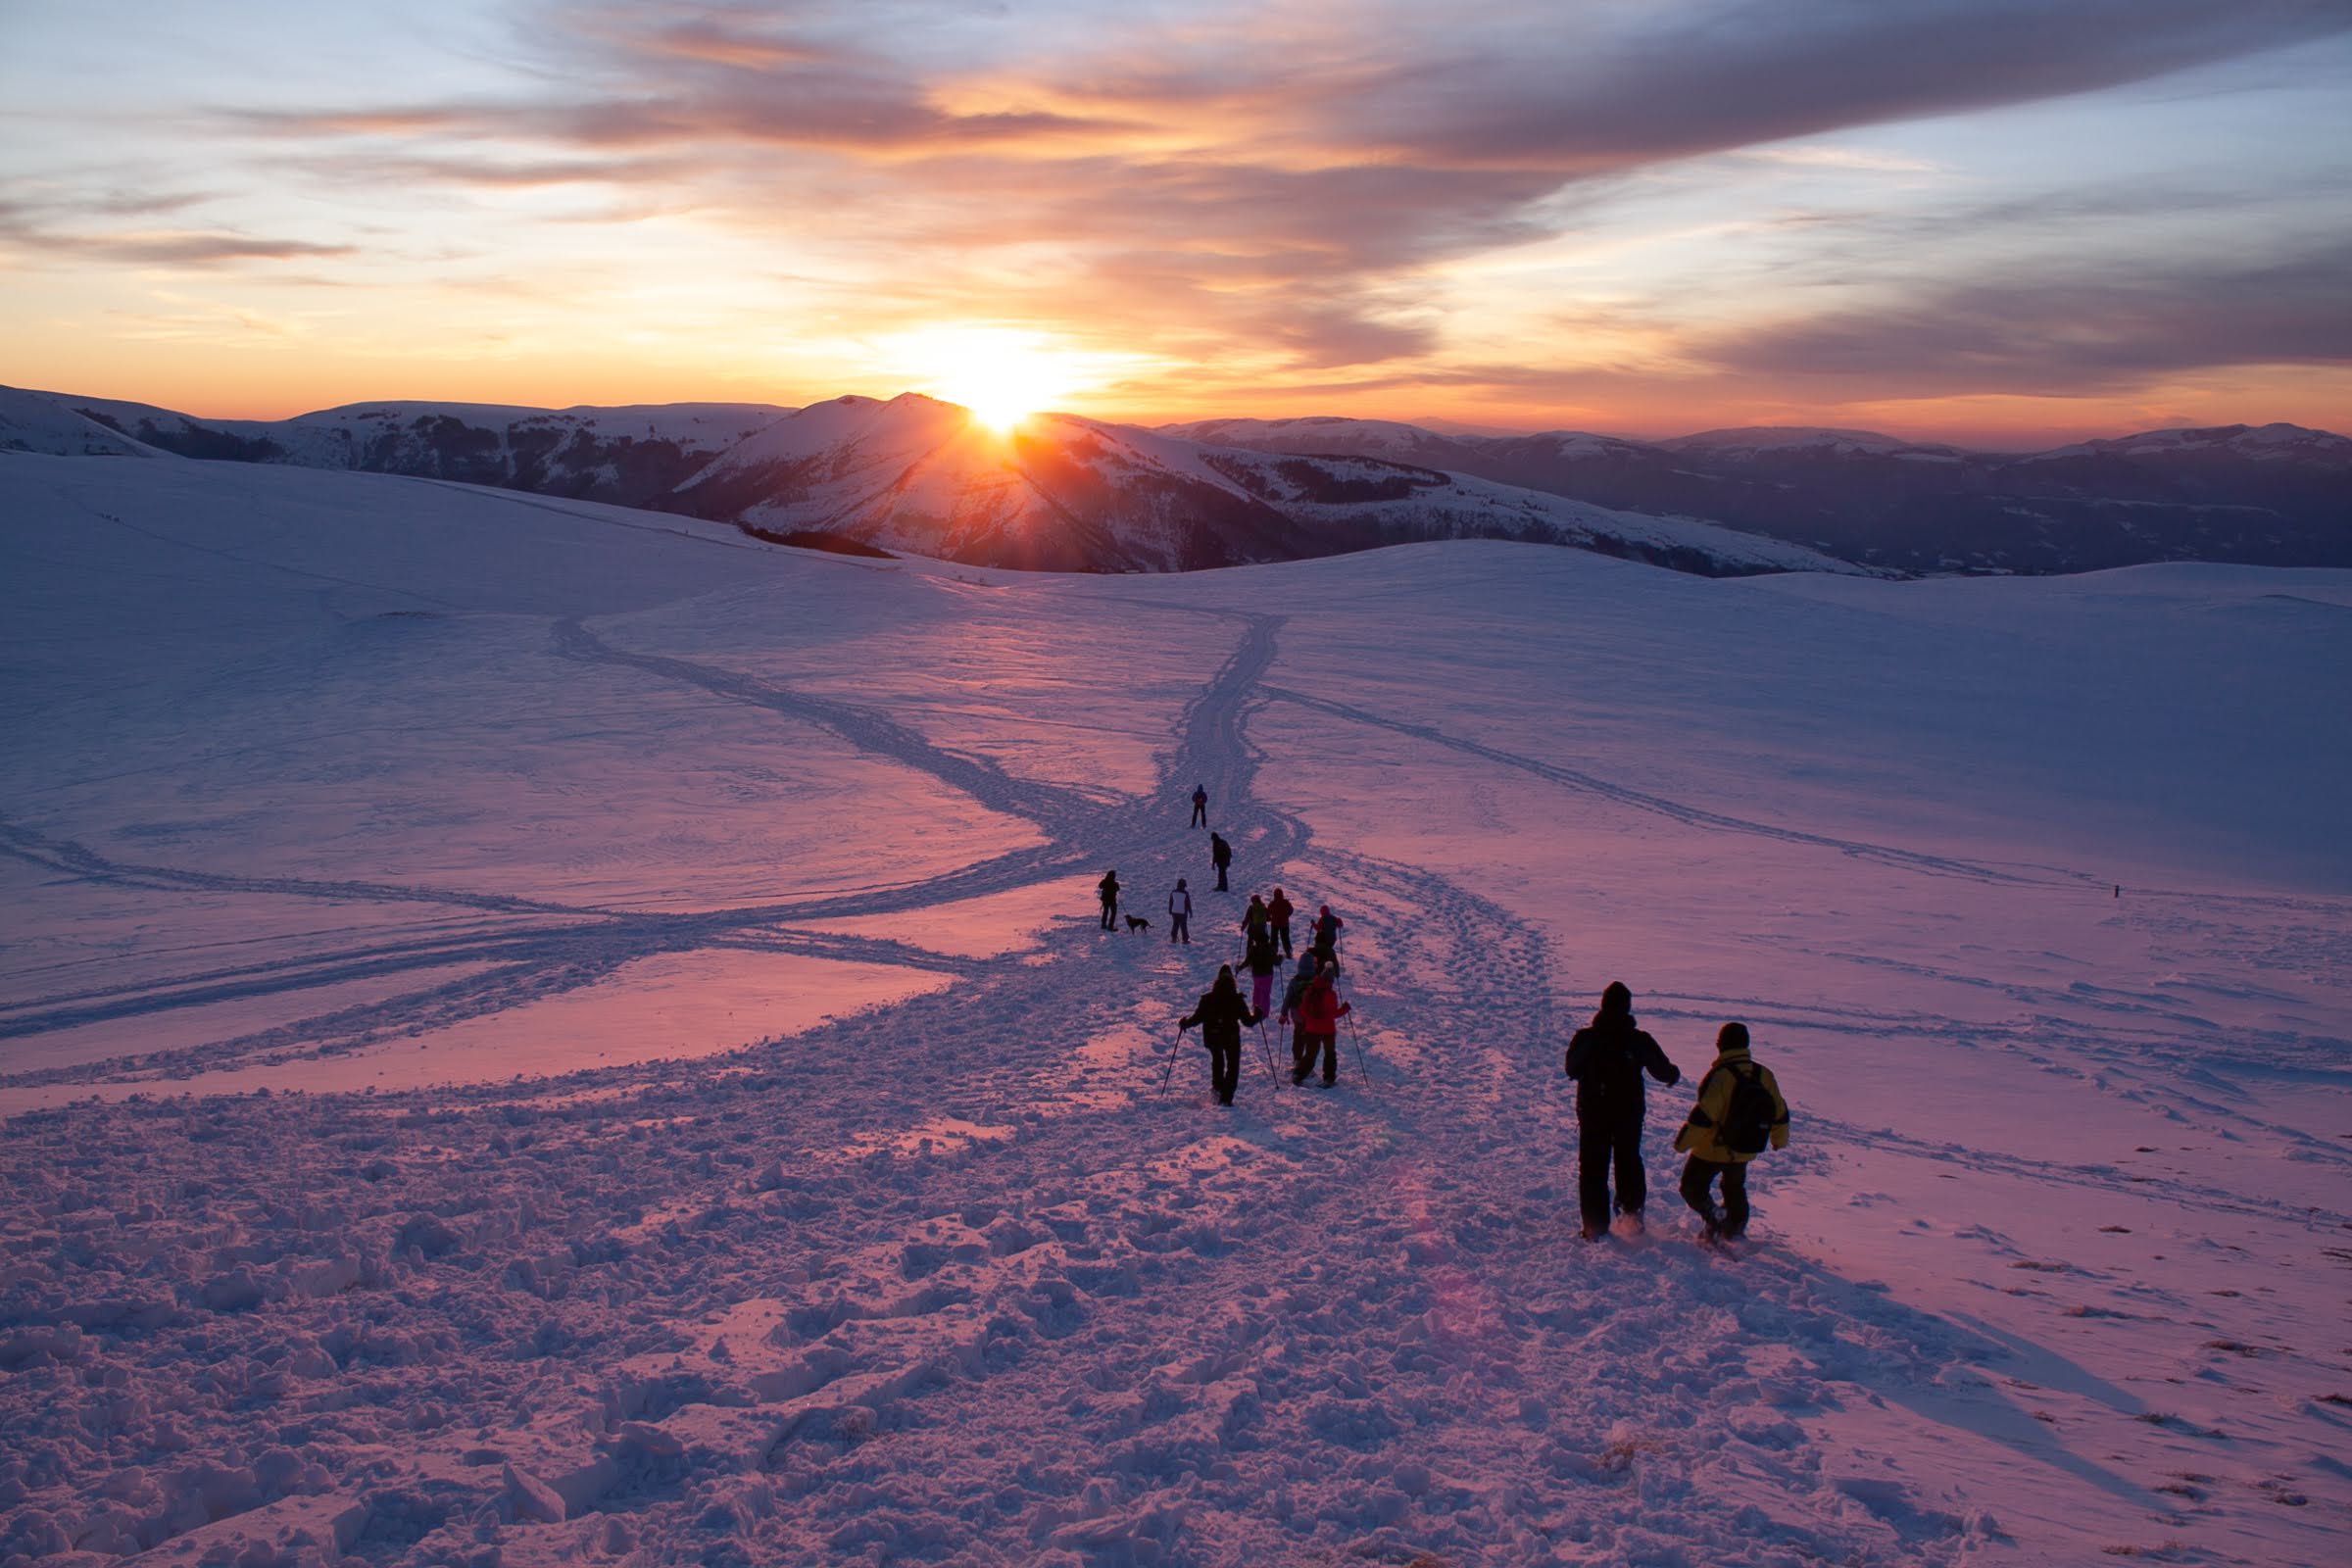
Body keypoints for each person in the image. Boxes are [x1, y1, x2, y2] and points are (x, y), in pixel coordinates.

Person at [1562, 982, 1681, 1242]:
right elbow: (1662, 1070)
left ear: (1603, 1005)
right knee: (1629, 1162)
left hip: (1593, 1111)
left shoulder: (1586, 1038)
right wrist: (1673, 1074)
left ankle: (1594, 1227)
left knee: (1593, 1167)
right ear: (1627, 1007)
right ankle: (1631, 1218)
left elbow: (1571, 1069)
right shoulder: (1637, 1039)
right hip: (1628, 1112)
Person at [1674, 1023, 1789, 1243]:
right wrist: (1779, 1140)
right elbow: (1780, 1113)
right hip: (1745, 1146)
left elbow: (1704, 1116)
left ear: (1721, 1045)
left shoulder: (1720, 1076)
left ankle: (1715, 1217)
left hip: (1712, 1149)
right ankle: (1734, 1231)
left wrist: (1682, 1144)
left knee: (1692, 1187)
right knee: (1734, 1187)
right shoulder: (1764, 1074)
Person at [1179, 965, 1260, 1105]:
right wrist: (1258, 1015)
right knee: (1233, 1066)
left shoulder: (1207, 999)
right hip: (1231, 1037)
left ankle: (1217, 1087)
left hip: (1212, 1036)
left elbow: (1197, 1018)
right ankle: (1226, 1097)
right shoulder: (1237, 999)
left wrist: (1185, 1024)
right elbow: (1248, 1022)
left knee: (1217, 1060)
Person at [1292, 963, 1350, 1086]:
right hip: (1328, 1029)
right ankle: (1328, 1078)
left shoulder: (1310, 991)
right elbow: (1333, 1013)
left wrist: (1311, 1020)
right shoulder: (1330, 994)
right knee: (1329, 1053)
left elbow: (1303, 1010)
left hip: (1311, 1028)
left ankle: (1299, 1074)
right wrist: (1345, 1008)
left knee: (1310, 1053)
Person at [1243, 927, 1282, 1017]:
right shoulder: (1270, 949)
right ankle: (1264, 1013)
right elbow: (1276, 962)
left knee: (1257, 991)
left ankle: (1256, 1010)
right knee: (1265, 994)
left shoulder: (1253, 949)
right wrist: (1280, 958)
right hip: (1267, 976)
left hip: (1256, 975)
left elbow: (1247, 961)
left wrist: (1240, 967)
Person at [1267, 887, 1295, 957]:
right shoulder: (1286, 902)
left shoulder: (1273, 903)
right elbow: (1291, 910)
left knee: (1274, 939)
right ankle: (1288, 952)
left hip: (1275, 923)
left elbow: (1268, 911)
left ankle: (1273, 952)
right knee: (1285, 938)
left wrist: (1272, 916)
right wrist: (1286, 915)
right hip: (1284, 924)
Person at [1167, 878, 1193, 945]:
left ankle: (1174, 938)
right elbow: (1188, 903)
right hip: (1182, 912)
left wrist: (1170, 910)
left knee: (1175, 924)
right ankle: (1185, 939)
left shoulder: (1173, 892)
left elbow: (1171, 902)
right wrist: (1190, 912)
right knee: (1183, 926)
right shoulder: (1185, 893)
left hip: (1174, 911)